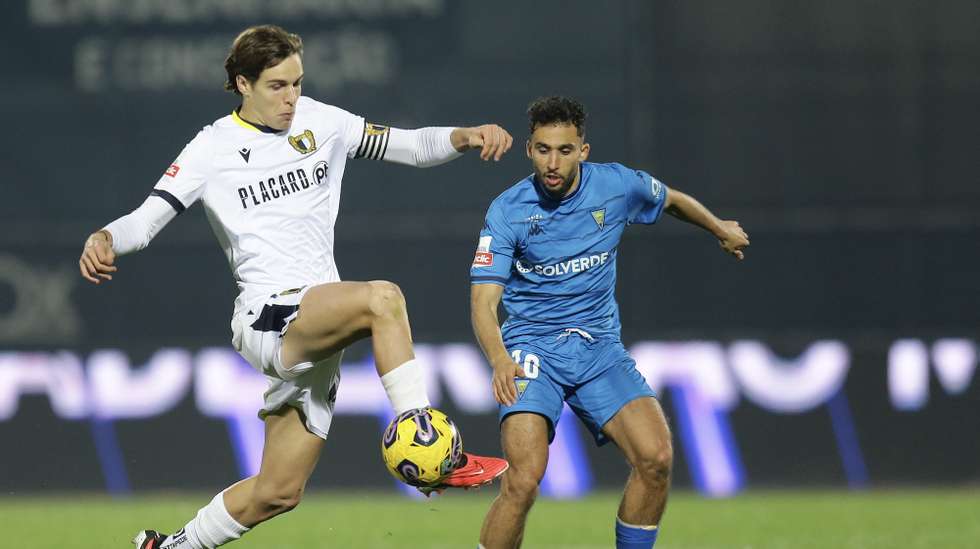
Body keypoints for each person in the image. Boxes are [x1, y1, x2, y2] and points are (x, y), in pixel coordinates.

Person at [78, 25, 512, 549]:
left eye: (297, 83)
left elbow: (410, 146)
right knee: (383, 299)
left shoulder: (321, 123)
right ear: (243, 83)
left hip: (318, 320)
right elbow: (145, 222)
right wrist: (104, 237)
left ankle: (170, 546)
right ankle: (428, 443)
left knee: (278, 491)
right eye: (277, 86)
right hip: (270, 314)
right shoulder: (211, 148)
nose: (291, 98)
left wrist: (464, 136)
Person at [470, 96, 749, 549]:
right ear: (528, 150)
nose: (553, 162)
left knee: (656, 459)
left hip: (598, 349)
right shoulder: (508, 210)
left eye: (564, 150)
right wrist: (499, 358)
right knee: (523, 480)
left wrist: (718, 227)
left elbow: (671, 200)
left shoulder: (617, 186)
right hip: (531, 351)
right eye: (543, 150)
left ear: (584, 150)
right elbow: (483, 302)